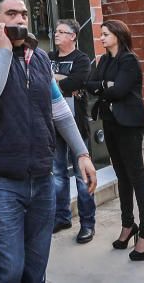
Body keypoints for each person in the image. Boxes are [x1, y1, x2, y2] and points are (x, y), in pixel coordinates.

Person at [0, 0, 97, 282]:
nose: (20, 19)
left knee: (35, 270)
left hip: (41, 179)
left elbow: (59, 111)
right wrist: (5, 51)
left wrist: (82, 153)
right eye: (11, 14)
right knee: (7, 270)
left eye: (23, 13)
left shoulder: (40, 58)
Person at [86, 20, 144, 261]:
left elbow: (120, 91)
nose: (101, 38)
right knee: (121, 176)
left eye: (105, 34)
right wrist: (105, 85)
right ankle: (128, 226)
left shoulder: (129, 60)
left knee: (137, 177)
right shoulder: (104, 61)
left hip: (130, 124)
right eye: (101, 34)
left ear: (118, 35)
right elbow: (90, 84)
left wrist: (102, 87)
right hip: (110, 122)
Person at [49, 18, 96, 243]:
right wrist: (62, 81)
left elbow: (78, 81)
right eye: (56, 31)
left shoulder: (81, 59)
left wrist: (55, 80)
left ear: (73, 36)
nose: (56, 34)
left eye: (61, 31)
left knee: (81, 175)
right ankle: (62, 217)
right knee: (58, 173)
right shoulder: (48, 58)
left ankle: (87, 223)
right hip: (53, 124)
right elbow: (42, 82)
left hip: (76, 124)